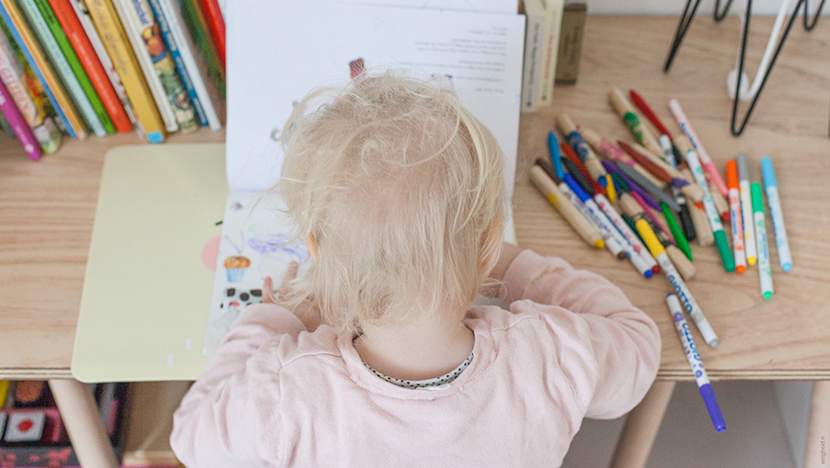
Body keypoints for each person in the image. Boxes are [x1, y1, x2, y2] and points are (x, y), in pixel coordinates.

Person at [171, 73, 661, 467]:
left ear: (318, 252)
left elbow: (191, 439)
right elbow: (637, 346)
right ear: (487, 242)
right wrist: (515, 266)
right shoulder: (548, 353)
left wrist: (275, 318)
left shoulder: (288, 390)